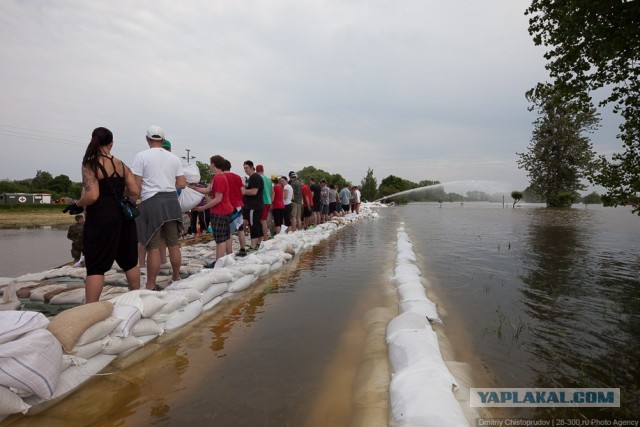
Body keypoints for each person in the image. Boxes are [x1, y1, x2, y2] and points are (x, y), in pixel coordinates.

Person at [63, 127, 141, 303]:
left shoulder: (90, 164)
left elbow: (92, 195)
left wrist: (77, 204)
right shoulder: (122, 165)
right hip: (123, 217)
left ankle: (91, 309)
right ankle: (137, 297)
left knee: (96, 267)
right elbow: (135, 191)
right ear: (111, 144)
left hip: (101, 217)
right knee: (129, 262)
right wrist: (119, 195)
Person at [131, 125, 186, 290]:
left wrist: (133, 201)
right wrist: (168, 184)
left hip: (152, 202)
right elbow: (182, 183)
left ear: (147, 139)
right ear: (162, 140)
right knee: (173, 243)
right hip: (171, 202)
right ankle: (176, 278)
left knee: (153, 246)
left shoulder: (141, 156)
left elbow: (137, 185)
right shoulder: (174, 158)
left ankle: (150, 285)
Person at [191, 155, 233, 267]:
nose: (209, 165)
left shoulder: (219, 178)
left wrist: (203, 208)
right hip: (225, 210)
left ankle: (218, 263)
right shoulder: (217, 177)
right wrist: (194, 188)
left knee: (220, 239)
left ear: (213, 164)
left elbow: (218, 198)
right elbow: (207, 190)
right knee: (224, 236)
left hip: (220, 211)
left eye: (210, 163)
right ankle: (224, 260)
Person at [221, 159, 247, 257]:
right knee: (240, 229)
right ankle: (243, 249)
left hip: (229, 207)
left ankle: (229, 253)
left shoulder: (221, 177)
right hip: (239, 205)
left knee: (229, 231)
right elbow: (243, 192)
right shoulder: (237, 177)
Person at [242, 160, 264, 250]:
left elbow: (254, 192)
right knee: (257, 224)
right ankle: (260, 243)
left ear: (252, 167)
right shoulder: (251, 177)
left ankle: (253, 245)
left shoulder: (255, 177)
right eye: (244, 168)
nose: (245, 170)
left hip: (254, 206)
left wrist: (243, 191)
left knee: (253, 225)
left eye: (247, 168)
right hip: (255, 205)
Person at [256, 164, 274, 240]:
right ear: (263, 170)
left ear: (256, 171)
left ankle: (265, 238)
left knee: (262, 221)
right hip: (268, 201)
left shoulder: (258, 178)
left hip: (262, 201)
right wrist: (271, 200)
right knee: (264, 220)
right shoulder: (268, 180)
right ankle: (264, 237)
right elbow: (272, 191)